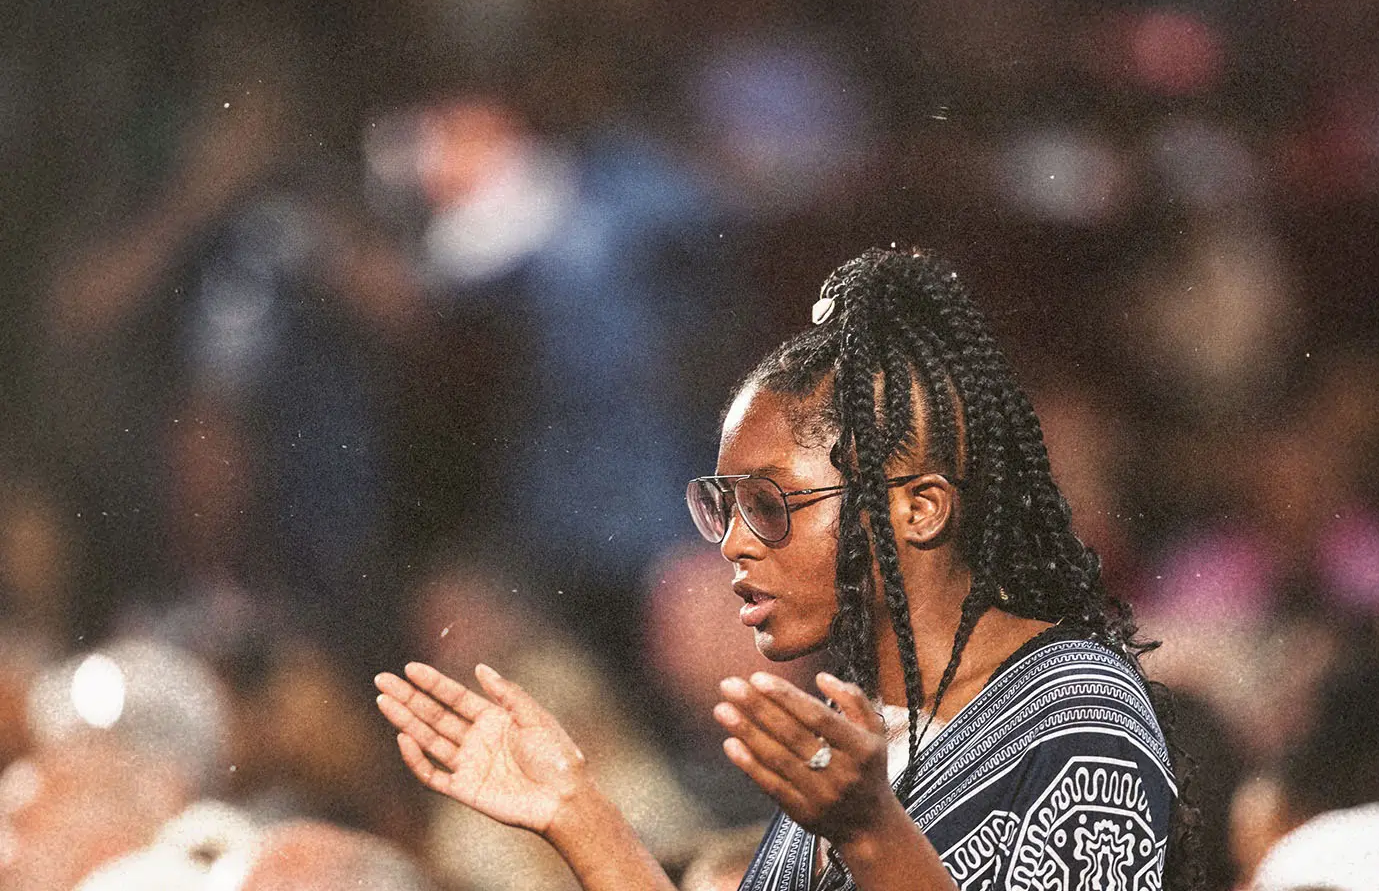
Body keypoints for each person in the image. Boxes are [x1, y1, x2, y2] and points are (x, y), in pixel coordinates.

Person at [375, 247, 1189, 890]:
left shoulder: (1080, 718)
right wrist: (578, 813)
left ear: (918, 508)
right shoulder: (856, 744)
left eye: (768, 505)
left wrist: (873, 834)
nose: (731, 543)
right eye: (722, 507)